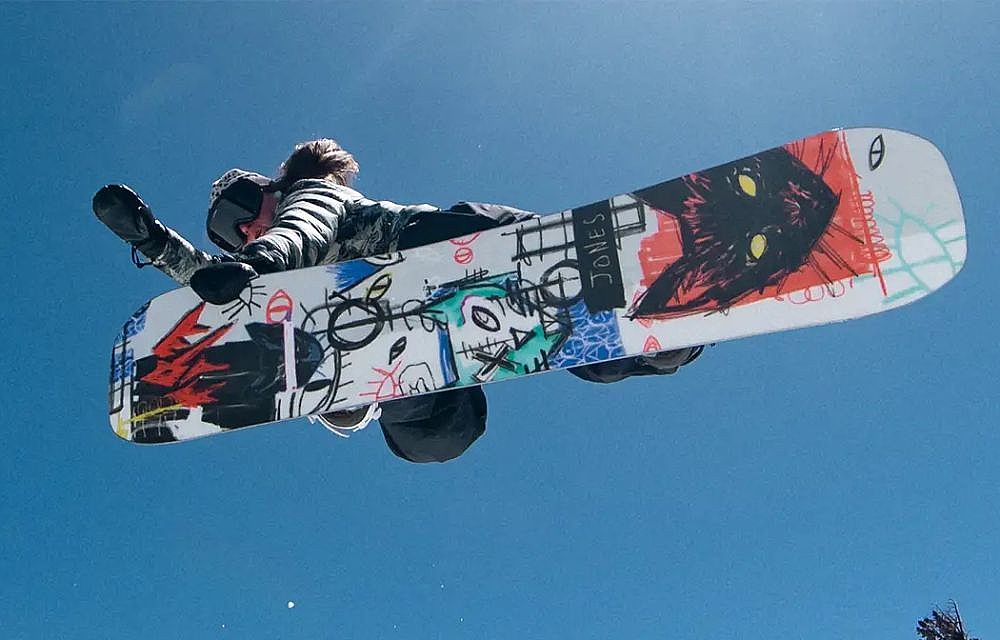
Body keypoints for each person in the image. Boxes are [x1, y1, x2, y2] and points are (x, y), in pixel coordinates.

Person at [93, 138, 702, 463]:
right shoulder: (269, 274)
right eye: (229, 235)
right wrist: (156, 243)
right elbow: (220, 293)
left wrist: (259, 259)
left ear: (272, 190)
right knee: (427, 437)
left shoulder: (311, 196)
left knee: (564, 317)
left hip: (441, 252)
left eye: (243, 212)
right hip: (403, 342)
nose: (243, 230)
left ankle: (650, 326)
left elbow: (303, 227)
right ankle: (376, 391)